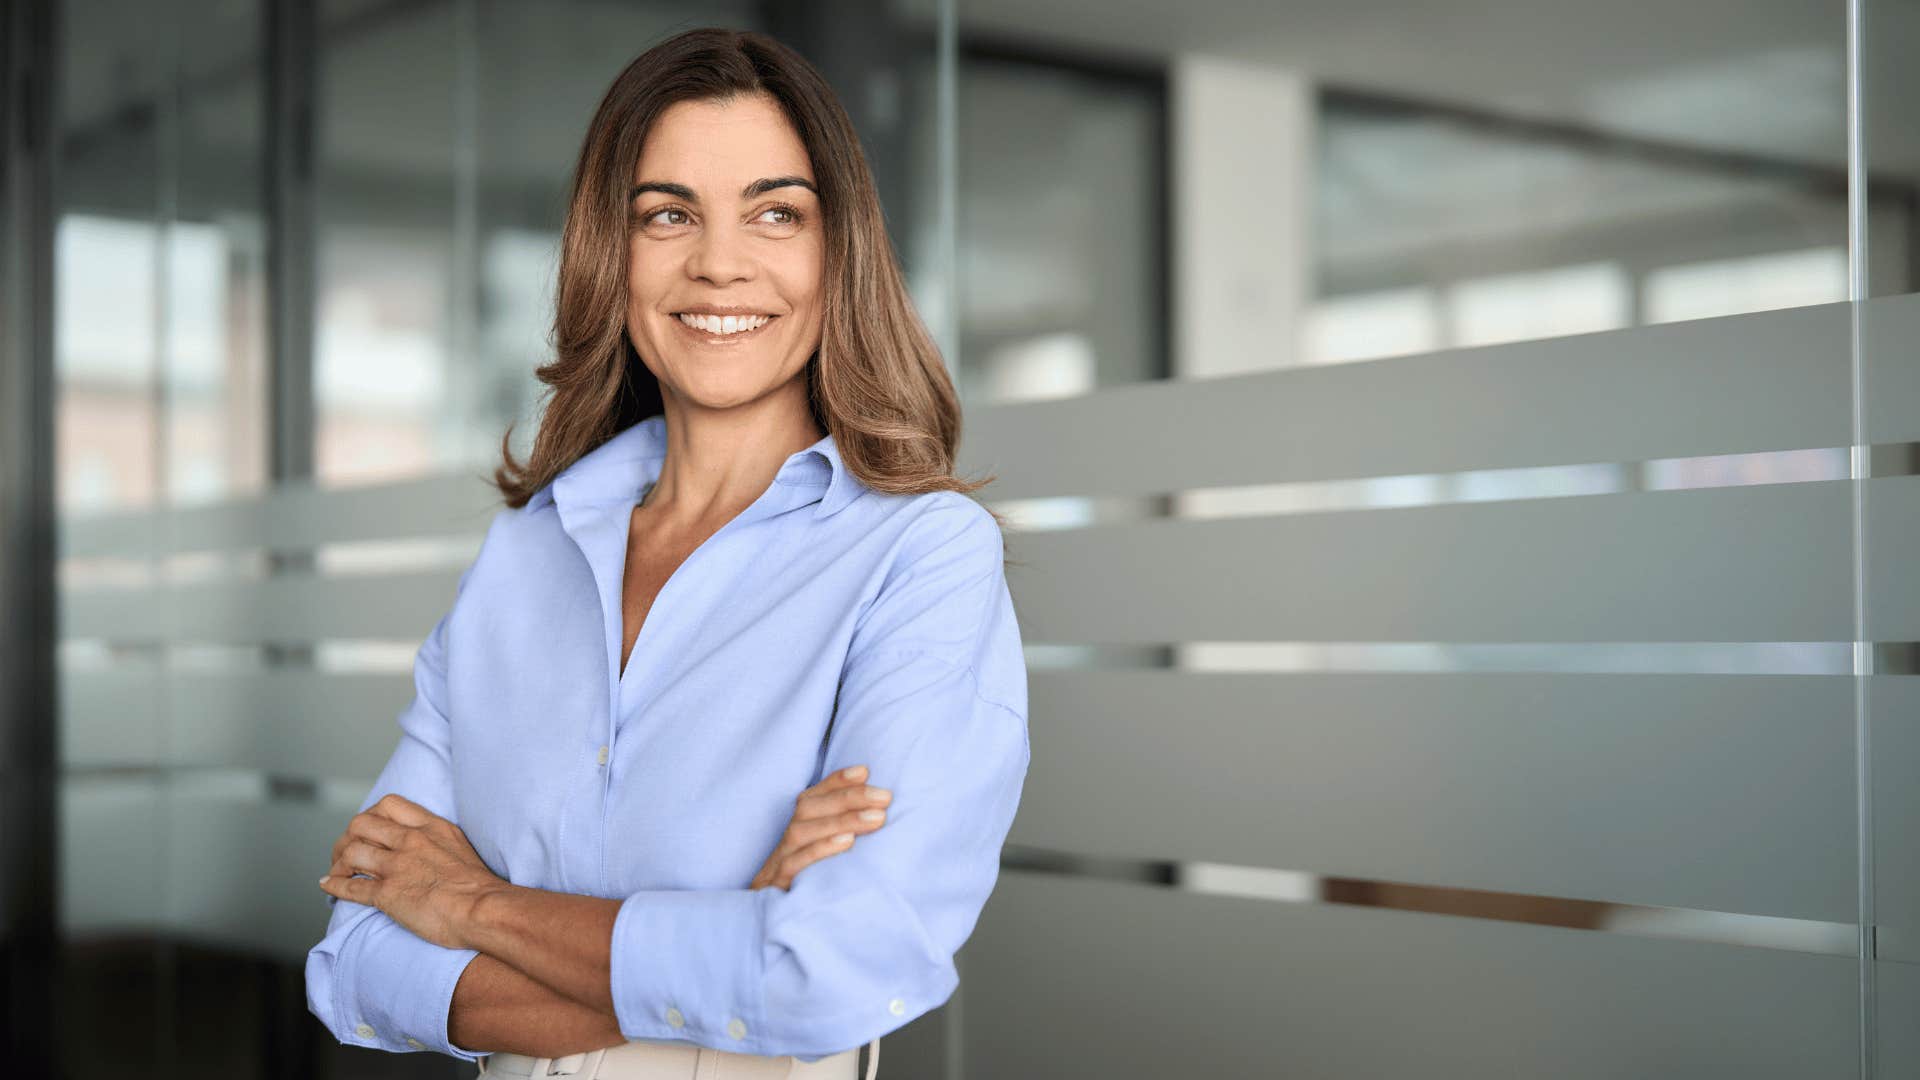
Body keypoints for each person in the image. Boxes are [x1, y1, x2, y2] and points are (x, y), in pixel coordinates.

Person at [302, 27, 1030, 1080]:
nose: (720, 261)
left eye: (775, 212)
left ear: (840, 253)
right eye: (668, 214)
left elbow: (823, 973)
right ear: (615, 250)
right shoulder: (523, 558)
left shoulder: (919, 560)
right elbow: (357, 960)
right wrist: (722, 936)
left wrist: (471, 904)